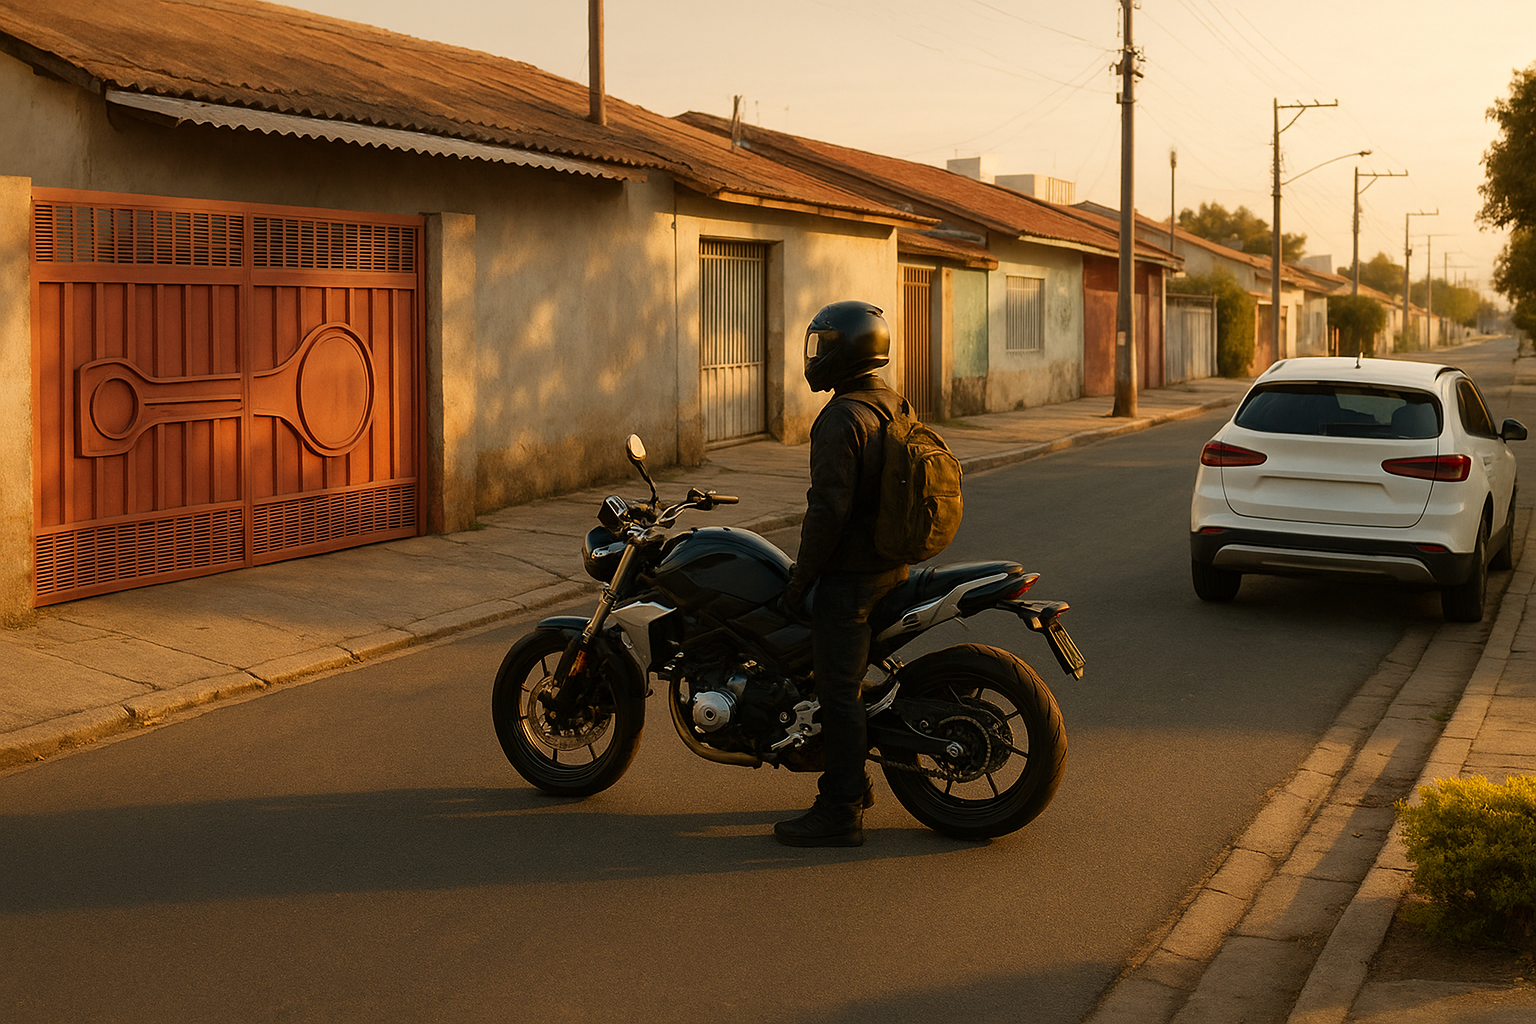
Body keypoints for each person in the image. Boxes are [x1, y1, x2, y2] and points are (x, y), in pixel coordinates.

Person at [774, 300, 909, 848]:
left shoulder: (841, 417)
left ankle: (840, 810)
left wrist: (799, 581)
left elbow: (826, 511)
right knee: (841, 681)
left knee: (838, 691)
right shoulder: (891, 403)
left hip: (852, 577)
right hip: (888, 565)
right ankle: (854, 781)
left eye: (825, 344)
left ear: (848, 350)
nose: (817, 355)